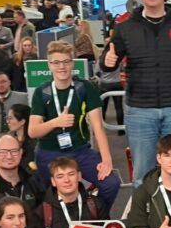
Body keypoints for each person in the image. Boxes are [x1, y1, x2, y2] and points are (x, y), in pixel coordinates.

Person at [99, 0, 171, 186]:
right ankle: (144, 210)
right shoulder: (125, 27)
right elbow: (108, 61)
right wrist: (107, 61)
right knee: (142, 175)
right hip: (140, 111)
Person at [29, 41, 119, 207]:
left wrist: (107, 160)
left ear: (72, 63)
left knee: (110, 183)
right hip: (49, 152)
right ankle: (57, 220)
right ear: (49, 65)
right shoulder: (42, 92)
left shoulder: (85, 88)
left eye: (66, 61)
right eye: (56, 63)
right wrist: (56, 122)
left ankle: (95, 214)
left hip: (79, 150)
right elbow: (33, 131)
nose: (61, 67)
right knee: (44, 195)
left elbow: (98, 127)